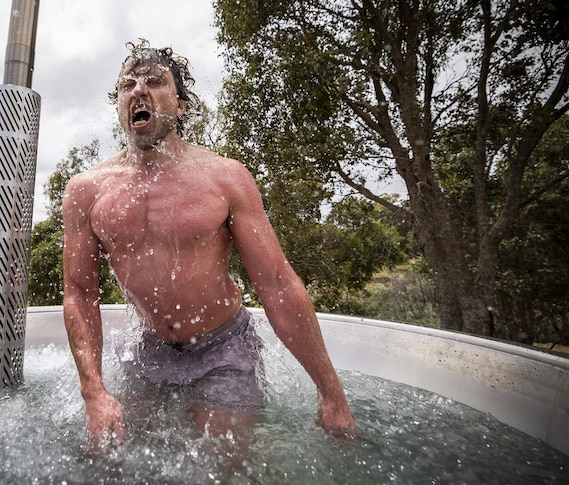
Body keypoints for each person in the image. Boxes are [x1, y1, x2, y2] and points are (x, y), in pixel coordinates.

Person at [62, 40, 357, 452]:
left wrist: (331, 392)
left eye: (154, 81)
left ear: (181, 106)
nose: (138, 90)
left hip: (223, 346)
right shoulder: (87, 191)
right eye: (127, 84)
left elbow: (276, 284)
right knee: (116, 457)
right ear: (120, 105)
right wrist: (94, 391)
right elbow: (79, 293)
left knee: (223, 467)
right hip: (148, 349)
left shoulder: (225, 178)